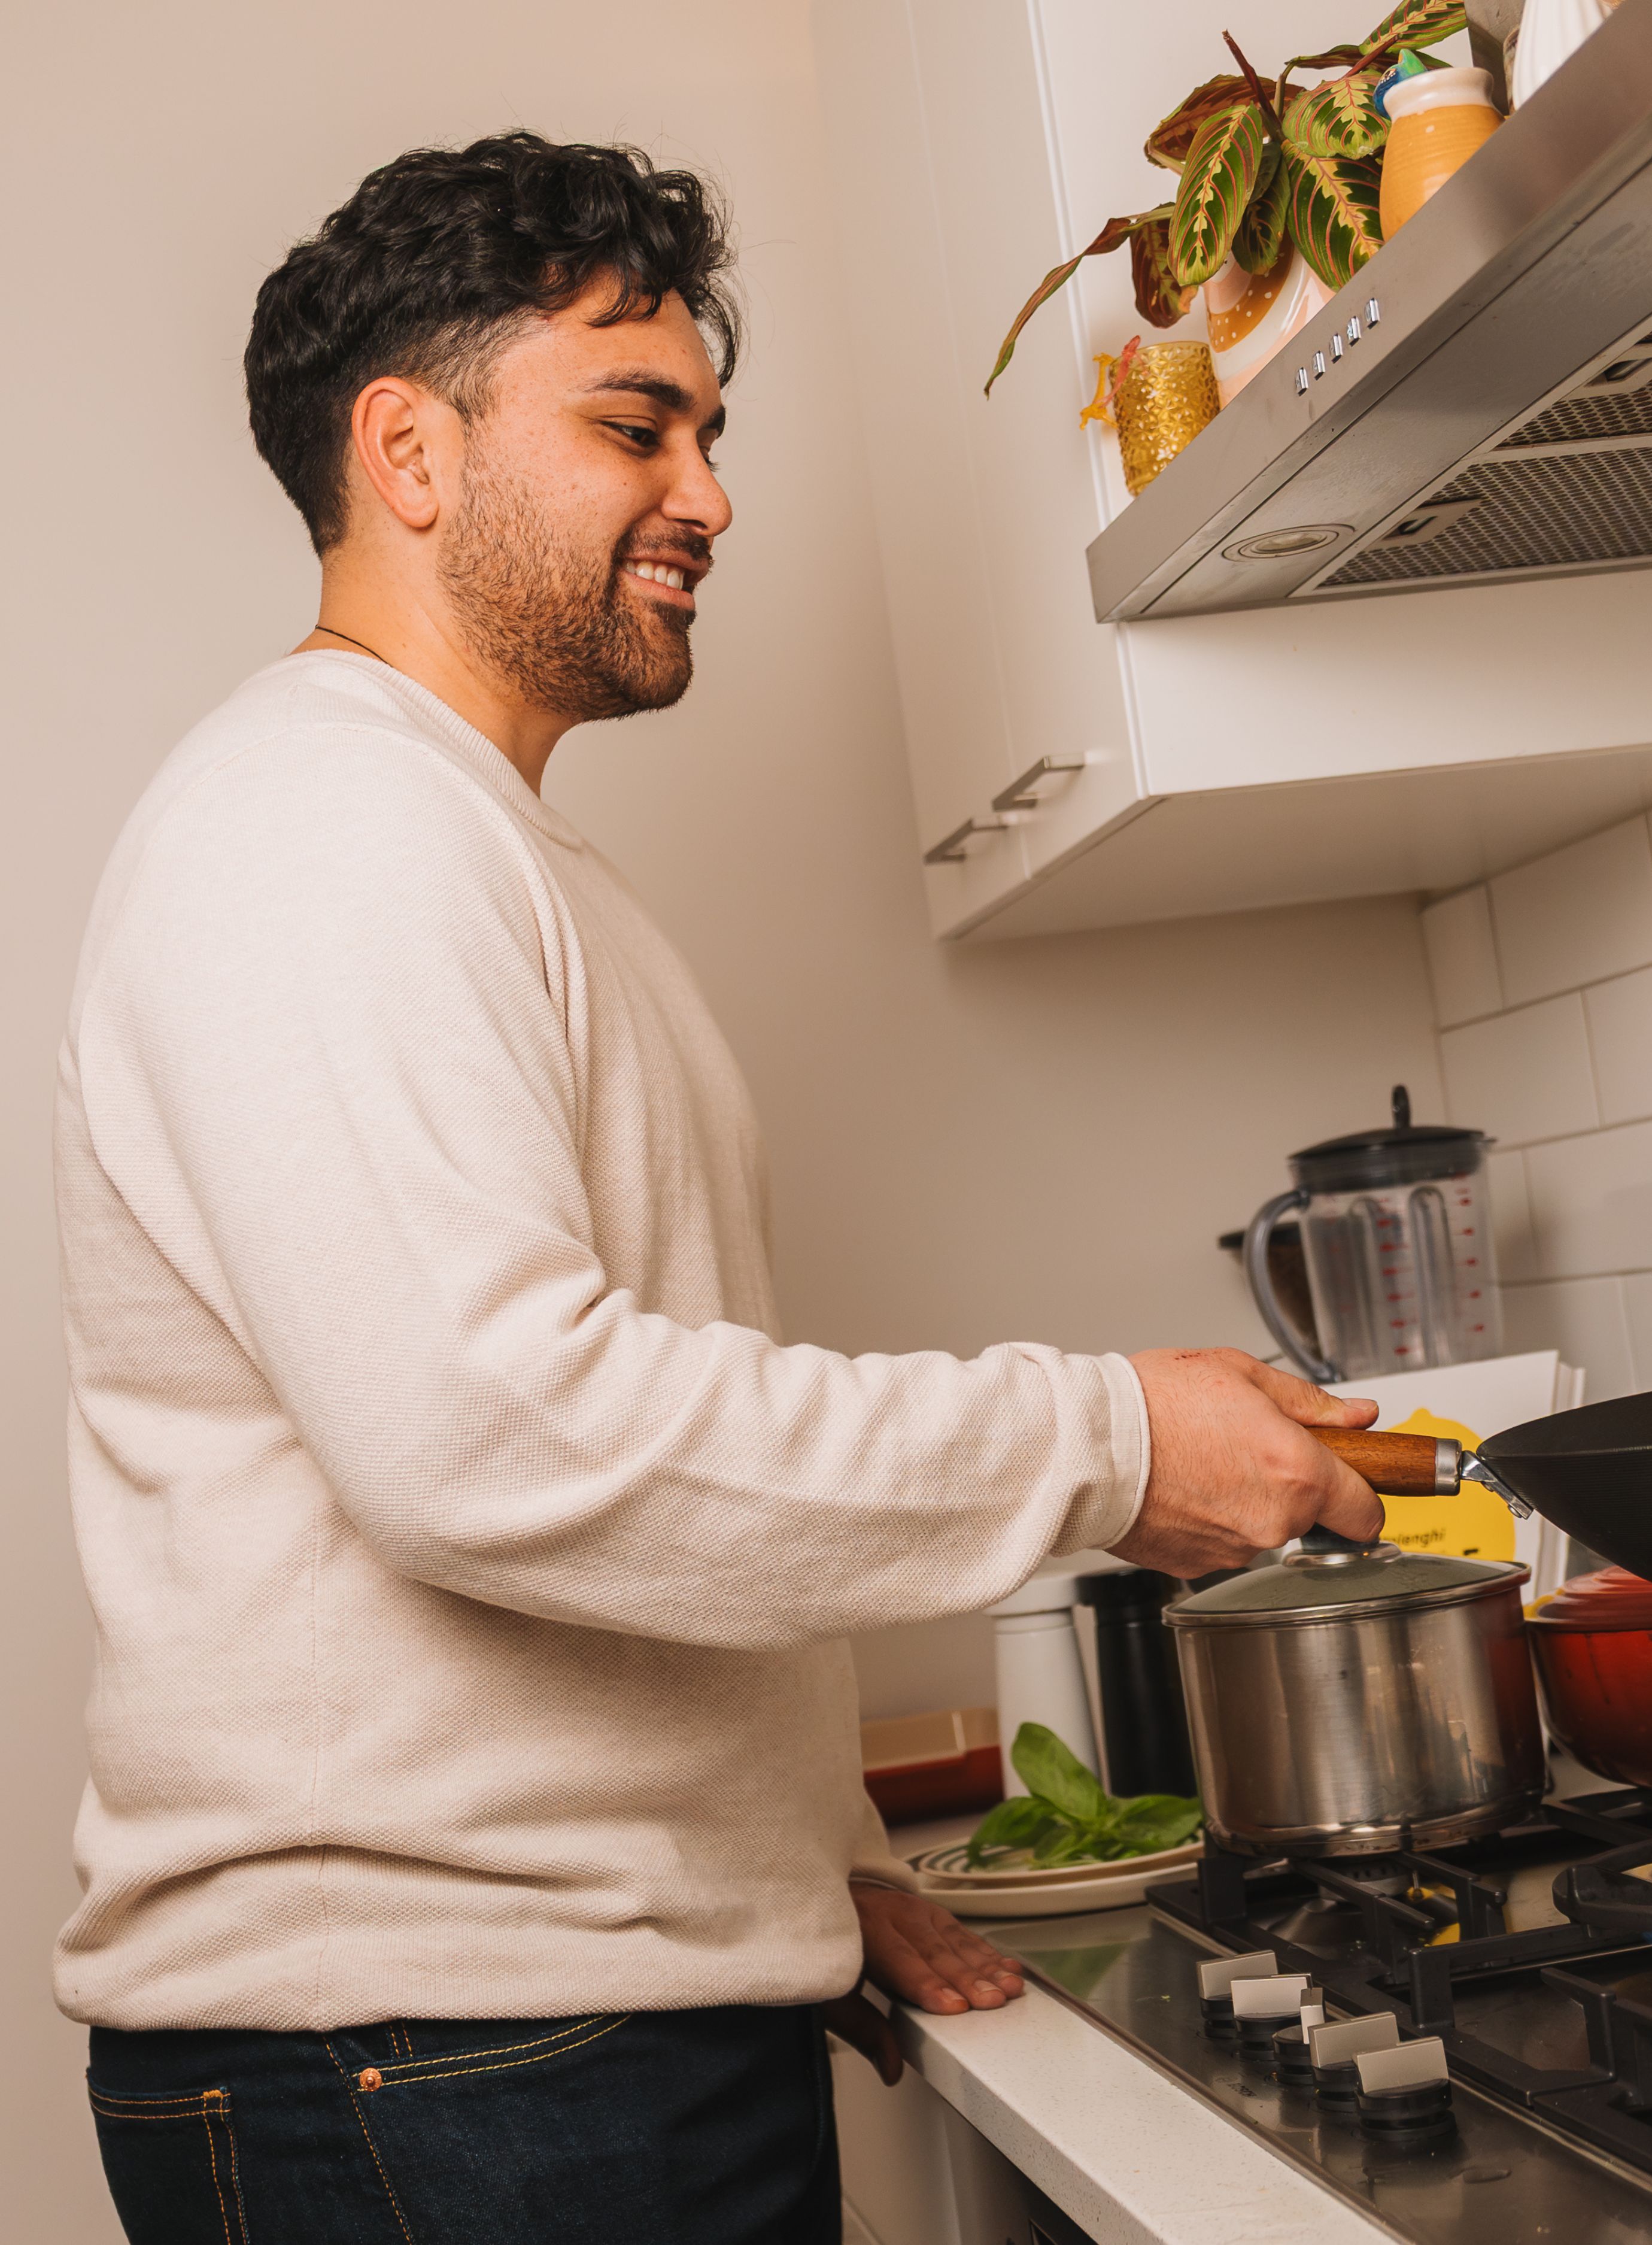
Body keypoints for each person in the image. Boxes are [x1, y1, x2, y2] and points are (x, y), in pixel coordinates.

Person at [53, 132, 1384, 2243]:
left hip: (544, 2037)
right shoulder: (321, 835)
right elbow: (497, 1438)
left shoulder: (484, 849)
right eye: (633, 424)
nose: (711, 496)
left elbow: (600, 1452)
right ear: (408, 449)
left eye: (710, 429)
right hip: (444, 2074)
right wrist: (1110, 1440)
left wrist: (788, 1855)